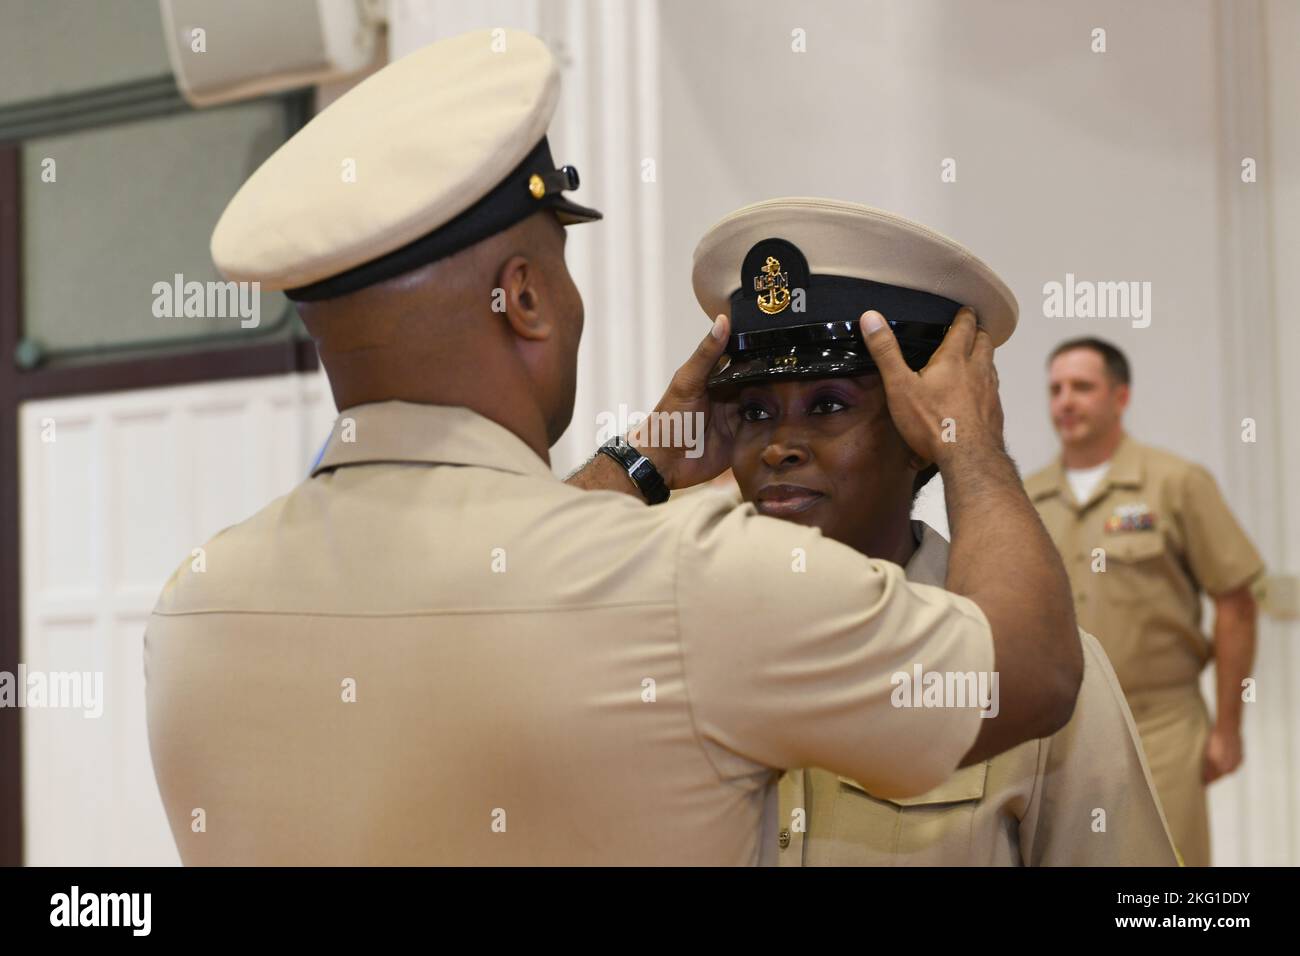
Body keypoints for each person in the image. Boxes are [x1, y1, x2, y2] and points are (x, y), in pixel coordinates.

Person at [144, 30, 1081, 865]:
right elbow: (1033, 669)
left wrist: (644, 460)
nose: (784, 442)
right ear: (524, 297)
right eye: (561, 263)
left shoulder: (194, 608)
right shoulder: (695, 582)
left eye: (826, 405)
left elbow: (519, 578)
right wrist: (973, 448)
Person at [688, 199, 1177, 865]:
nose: (780, 446)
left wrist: (968, 446)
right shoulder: (682, 647)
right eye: (753, 410)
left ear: (920, 433)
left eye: (829, 405)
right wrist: (644, 464)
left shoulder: (1033, 664)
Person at [1025, 337, 1263, 866]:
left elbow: (1236, 602)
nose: (1065, 401)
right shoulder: (1027, 497)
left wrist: (1227, 728)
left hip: (1162, 726)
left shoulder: (1176, 484)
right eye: (1056, 389)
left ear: (1121, 397)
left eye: (1082, 387)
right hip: (1063, 731)